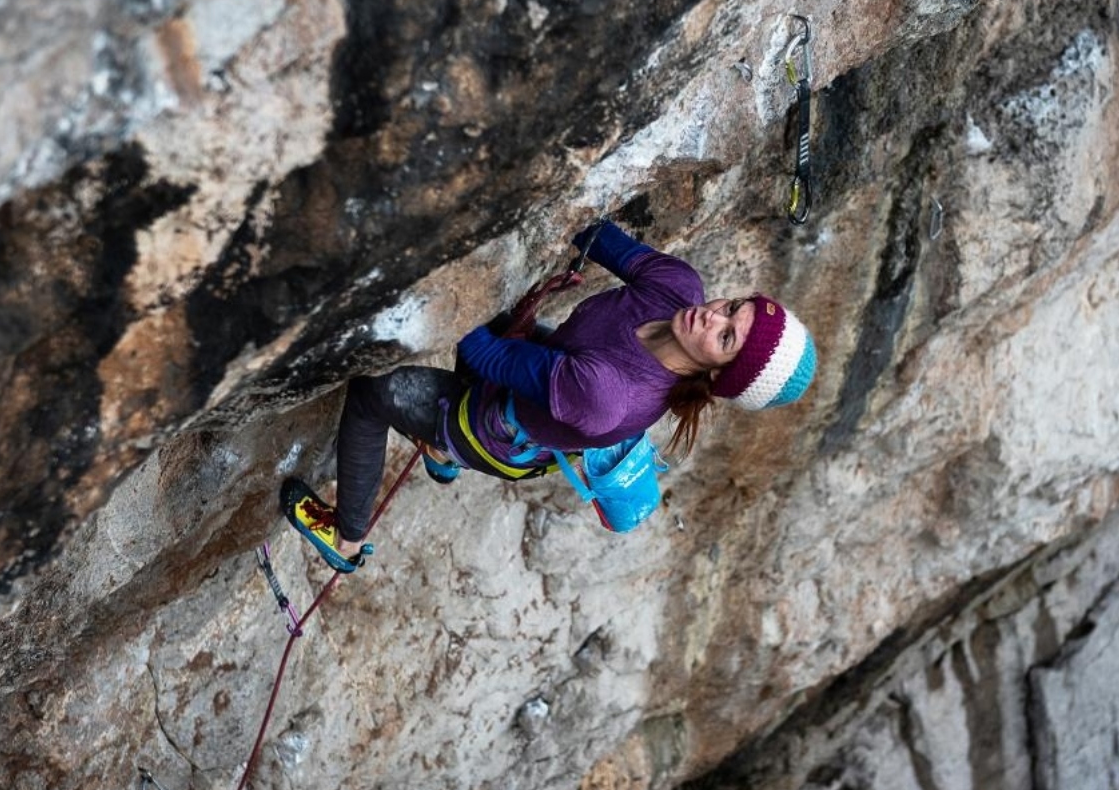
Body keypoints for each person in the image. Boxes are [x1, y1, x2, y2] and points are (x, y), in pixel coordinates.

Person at [280, 220, 817, 571]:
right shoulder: (679, 288)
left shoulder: (611, 394)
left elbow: (490, 357)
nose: (713, 315)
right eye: (733, 308)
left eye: (725, 338)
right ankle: (439, 453)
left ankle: (346, 538)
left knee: (377, 393)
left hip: (497, 429)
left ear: (719, 376)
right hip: (545, 374)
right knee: (500, 317)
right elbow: (593, 231)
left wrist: (434, 276)